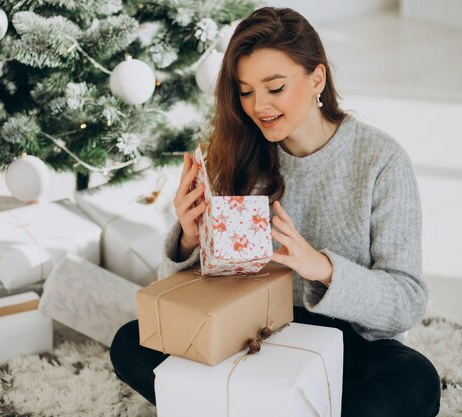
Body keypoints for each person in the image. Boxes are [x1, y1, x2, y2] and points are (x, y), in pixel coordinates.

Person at [110, 6, 441, 417]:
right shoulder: (235, 154)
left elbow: (406, 303)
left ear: (317, 78)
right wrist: (190, 238)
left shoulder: (380, 160)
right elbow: (188, 304)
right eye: (245, 91)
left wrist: (323, 269)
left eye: (275, 87)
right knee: (131, 341)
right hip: (249, 334)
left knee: (414, 382)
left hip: (347, 346)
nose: (258, 105)